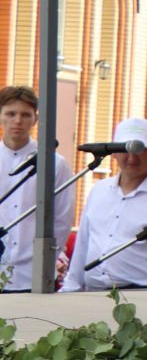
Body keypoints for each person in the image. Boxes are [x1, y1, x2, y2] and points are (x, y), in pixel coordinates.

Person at [60, 118, 147, 291]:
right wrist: (71, 287)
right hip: (92, 294)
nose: (131, 157)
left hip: (140, 297)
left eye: (139, 148)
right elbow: (83, 244)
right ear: (113, 152)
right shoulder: (99, 190)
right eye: (124, 148)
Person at [0, 85, 75, 292]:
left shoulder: (54, 163)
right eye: (11, 113)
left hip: (33, 272)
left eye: (25, 114)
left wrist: (45, 258)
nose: (18, 120)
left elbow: (62, 218)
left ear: (35, 119)